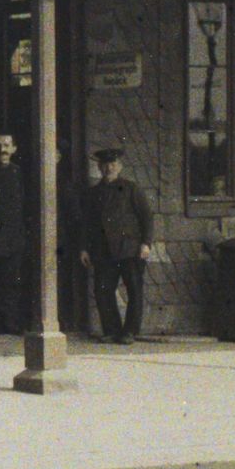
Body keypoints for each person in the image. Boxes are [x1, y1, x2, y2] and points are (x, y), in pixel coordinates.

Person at [80, 147, 154, 345]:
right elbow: (87, 224)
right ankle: (111, 330)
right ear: (99, 167)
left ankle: (129, 331)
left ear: (120, 166)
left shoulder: (131, 189)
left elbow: (146, 217)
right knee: (103, 291)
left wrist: (146, 243)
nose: (108, 168)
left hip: (129, 249)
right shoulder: (93, 193)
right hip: (103, 251)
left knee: (134, 291)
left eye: (112, 164)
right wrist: (84, 248)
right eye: (104, 164)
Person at [0, 132, 28, 337]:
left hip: (13, 238)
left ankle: (10, 323)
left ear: (14, 149)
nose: (3, 149)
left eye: (7, 145)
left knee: (12, 283)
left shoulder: (19, 174)